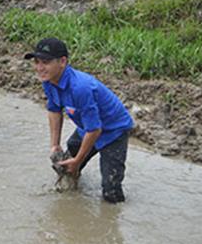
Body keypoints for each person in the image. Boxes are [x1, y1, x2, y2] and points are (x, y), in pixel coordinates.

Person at [25, 37, 134, 203]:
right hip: (88, 126)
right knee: (63, 167)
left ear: (62, 61)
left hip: (113, 130)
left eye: (45, 62)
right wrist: (55, 144)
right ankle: (72, 195)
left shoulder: (80, 88)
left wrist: (78, 160)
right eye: (37, 62)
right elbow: (54, 110)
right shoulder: (49, 80)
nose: (39, 68)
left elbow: (95, 130)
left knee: (111, 192)